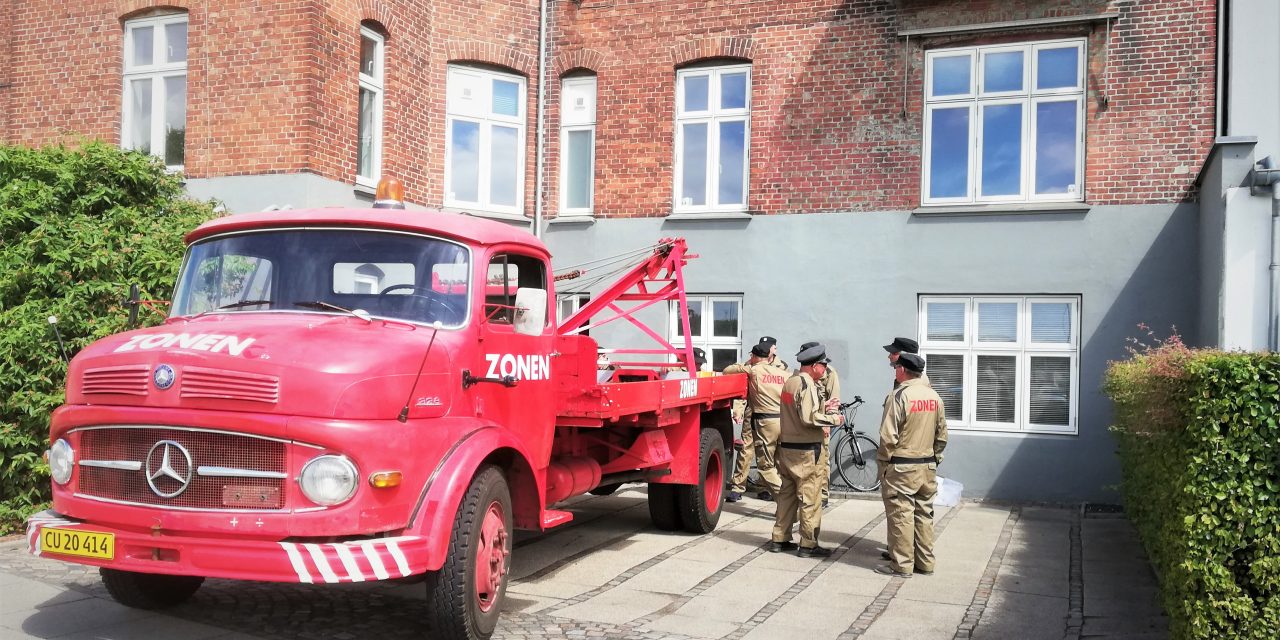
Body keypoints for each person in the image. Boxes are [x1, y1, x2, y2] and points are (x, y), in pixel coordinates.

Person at [875, 352, 948, 578]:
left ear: (902, 370)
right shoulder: (934, 397)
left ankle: (902, 565)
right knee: (924, 514)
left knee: (901, 515)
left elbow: (888, 437)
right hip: (927, 466)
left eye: (896, 367)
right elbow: (942, 435)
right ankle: (925, 563)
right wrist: (934, 458)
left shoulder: (899, 396)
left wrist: (884, 465)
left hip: (902, 467)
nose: (895, 370)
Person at [770, 343, 843, 558]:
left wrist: (823, 408)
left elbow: (796, 411)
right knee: (810, 498)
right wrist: (833, 418)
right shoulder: (807, 384)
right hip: (807, 451)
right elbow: (808, 417)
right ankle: (808, 544)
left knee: (787, 496)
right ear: (813, 366)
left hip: (788, 448)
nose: (825, 369)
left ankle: (779, 538)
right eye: (823, 365)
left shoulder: (789, 382)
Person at [724, 343, 787, 502]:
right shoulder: (782, 373)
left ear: (754, 356)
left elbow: (727, 371)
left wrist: (747, 364)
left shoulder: (753, 369)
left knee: (765, 466)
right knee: (780, 462)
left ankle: (787, 501)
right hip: (784, 420)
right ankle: (786, 499)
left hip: (764, 422)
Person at [797, 341, 840, 508]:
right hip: (806, 424)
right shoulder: (801, 376)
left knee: (823, 460)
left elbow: (834, 400)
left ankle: (823, 495)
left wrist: (828, 422)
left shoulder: (829, 372)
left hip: (821, 422)